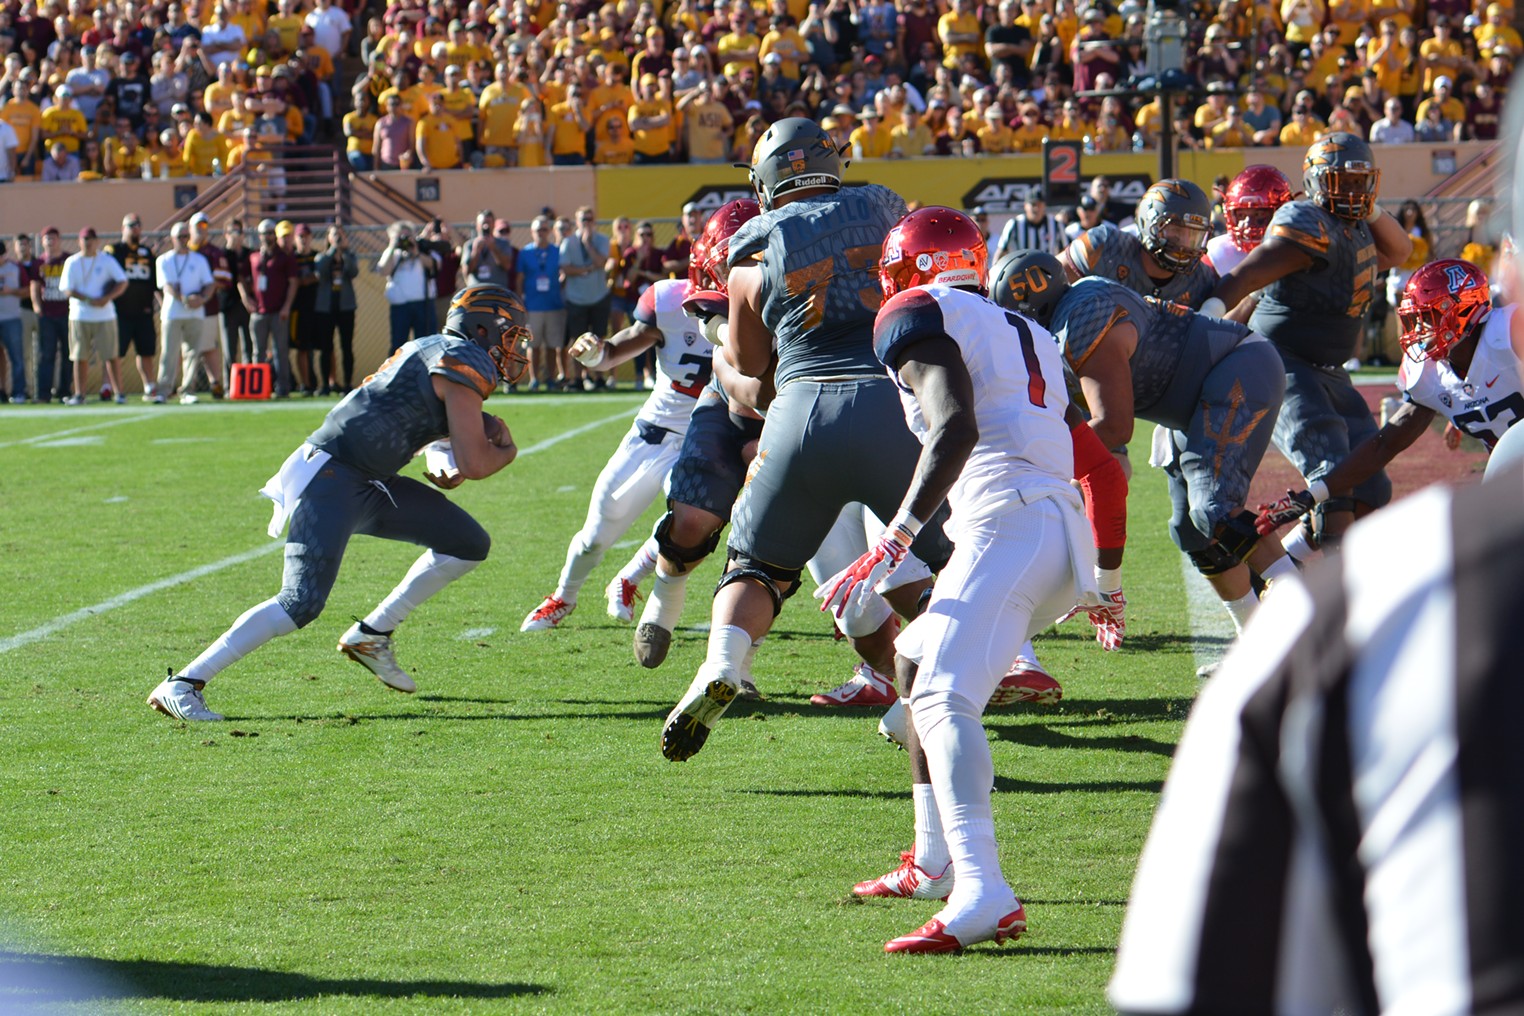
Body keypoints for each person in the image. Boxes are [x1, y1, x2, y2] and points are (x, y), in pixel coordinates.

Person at [828, 207, 1094, 955]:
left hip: (1009, 521)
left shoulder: (914, 310)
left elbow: (955, 426)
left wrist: (899, 539)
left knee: (944, 694)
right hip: (1049, 525)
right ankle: (935, 860)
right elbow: (1089, 442)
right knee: (914, 658)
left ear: (907, 267)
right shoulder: (1029, 329)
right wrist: (1098, 570)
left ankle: (985, 891)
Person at [660, 118, 946, 762]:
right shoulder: (885, 208)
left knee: (756, 568)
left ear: (765, 181)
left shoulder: (750, 250)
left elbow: (751, 370)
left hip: (800, 414)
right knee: (960, 566)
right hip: (892, 405)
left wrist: (723, 365)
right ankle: (922, 695)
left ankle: (721, 665)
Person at [147, 285, 531, 722]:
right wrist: (506, 449)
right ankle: (183, 683)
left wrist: (449, 460)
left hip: (370, 479)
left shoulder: (431, 349)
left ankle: (373, 634)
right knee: (300, 602)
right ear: (482, 327)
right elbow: (478, 463)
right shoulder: (465, 359)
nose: (514, 346)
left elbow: (430, 437)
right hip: (333, 477)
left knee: (467, 542)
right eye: (510, 334)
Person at [1000, 249, 1294, 639]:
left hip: (1238, 367)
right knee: (1191, 531)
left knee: (1214, 509)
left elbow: (1114, 428)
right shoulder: (1074, 313)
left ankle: (1306, 603)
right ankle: (1257, 640)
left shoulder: (1083, 322)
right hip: (1194, 401)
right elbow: (1105, 455)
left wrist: (1038, 471)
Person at [1209, 132, 1413, 552]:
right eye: (1344, 181)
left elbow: (1400, 250)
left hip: (1329, 373)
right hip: (1282, 362)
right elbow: (1249, 275)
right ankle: (1336, 602)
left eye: (1362, 182)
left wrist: (1371, 210)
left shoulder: (1356, 228)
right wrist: (1202, 313)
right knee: (1332, 474)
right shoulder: (1308, 219)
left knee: (1370, 486)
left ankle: (1296, 568)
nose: (1355, 192)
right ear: (1319, 182)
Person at [1257, 259, 1524, 543]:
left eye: (1430, 317)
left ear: (1464, 309)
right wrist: (1312, 495)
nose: (1420, 330)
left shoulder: (1509, 333)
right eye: (1416, 320)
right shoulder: (1429, 374)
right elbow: (1384, 445)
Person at [519, 263, 715, 631]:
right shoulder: (670, 300)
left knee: (694, 518)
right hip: (655, 431)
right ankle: (564, 596)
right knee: (595, 536)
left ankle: (630, 577)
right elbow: (611, 353)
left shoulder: (759, 299)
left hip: (711, 436)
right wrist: (593, 353)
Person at [1059, 178, 1219, 307]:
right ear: (1148, 223)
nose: (1184, 242)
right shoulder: (1105, 246)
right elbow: (1047, 280)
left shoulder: (1201, 280)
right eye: (1176, 230)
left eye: (1193, 235)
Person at [60, 226, 129, 405]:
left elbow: (122, 281)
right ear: (79, 241)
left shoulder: (106, 260)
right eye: (85, 239)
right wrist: (89, 299)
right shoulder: (72, 262)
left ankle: (119, 393)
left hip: (105, 316)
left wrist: (107, 298)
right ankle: (79, 394)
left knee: (111, 356)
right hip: (79, 315)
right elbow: (67, 289)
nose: (88, 243)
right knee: (79, 356)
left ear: (97, 241)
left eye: (91, 239)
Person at [155, 222, 217, 406]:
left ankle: (188, 390)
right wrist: (185, 300)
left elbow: (209, 283)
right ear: (172, 239)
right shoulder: (164, 260)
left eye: (185, 236)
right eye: (179, 237)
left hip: (195, 313)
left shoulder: (198, 259)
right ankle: (163, 390)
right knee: (169, 352)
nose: (183, 240)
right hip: (172, 313)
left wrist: (202, 298)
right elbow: (167, 286)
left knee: (192, 352)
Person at [240, 218, 300, 398]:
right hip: (259, 311)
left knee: (280, 351)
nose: (267, 236)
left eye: (270, 233)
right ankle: (258, 388)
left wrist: (287, 306)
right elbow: (241, 278)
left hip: (278, 311)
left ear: (274, 235)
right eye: (264, 233)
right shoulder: (253, 256)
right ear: (259, 236)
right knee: (257, 352)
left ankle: (282, 388)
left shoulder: (284, 257)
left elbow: (293, 282)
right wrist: (245, 298)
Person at [105, 213, 160, 401]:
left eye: (138, 224)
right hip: (119, 311)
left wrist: (161, 304)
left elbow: (154, 283)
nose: (135, 228)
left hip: (143, 310)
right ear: (122, 228)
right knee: (115, 353)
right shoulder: (113, 250)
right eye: (131, 225)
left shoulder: (147, 252)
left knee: (146, 351)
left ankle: (149, 386)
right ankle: (110, 387)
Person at [1203, 165, 1294, 278]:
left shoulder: (1296, 251)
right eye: (1241, 215)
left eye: (1259, 215)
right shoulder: (1216, 254)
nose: (1248, 224)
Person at [559, 207, 613, 391]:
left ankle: (599, 377)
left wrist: (588, 244)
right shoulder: (568, 242)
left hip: (598, 296)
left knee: (599, 339)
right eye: (583, 219)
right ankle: (579, 378)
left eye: (589, 219)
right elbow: (565, 268)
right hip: (576, 299)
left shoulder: (602, 240)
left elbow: (601, 263)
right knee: (577, 340)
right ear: (577, 221)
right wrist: (586, 270)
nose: (586, 222)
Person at [515, 215, 565, 390]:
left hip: (553, 304)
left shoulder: (557, 251)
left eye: (544, 229)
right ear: (532, 232)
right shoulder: (525, 253)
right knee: (533, 345)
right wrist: (521, 302)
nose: (541, 233)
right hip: (533, 306)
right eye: (538, 230)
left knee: (552, 345)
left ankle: (550, 378)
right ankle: (534, 379)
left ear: (549, 231)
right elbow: (519, 279)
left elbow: (564, 273)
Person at [311, 225, 358, 394]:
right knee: (326, 347)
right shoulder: (322, 256)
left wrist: (343, 253)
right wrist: (333, 251)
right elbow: (320, 271)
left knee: (346, 346)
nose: (337, 238)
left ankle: (347, 383)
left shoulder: (350, 256)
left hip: (345, 308)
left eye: (340, 235)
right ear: (328, 238)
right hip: (326, 308)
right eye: (334, 235)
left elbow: (353, 272)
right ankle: (324, 385)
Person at [30, 227, 72, 404]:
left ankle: (64, 391)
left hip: (67, 313)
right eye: (47, 238)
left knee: (68, 354)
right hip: (47, 314)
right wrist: (37, 307)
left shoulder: (68, 260)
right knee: (46, 355)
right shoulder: (39, 262)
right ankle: (43, 394)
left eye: (53, 238)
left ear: (59, 239)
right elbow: (34, 286)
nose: (50, 241)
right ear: (42, 241)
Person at [378, 220, 434, 354]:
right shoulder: (392, 254)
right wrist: (393, 246)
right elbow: (382, 270)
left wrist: (416, 252)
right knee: (398, 345)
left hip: (423, 304)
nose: (404, 240)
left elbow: (433, 265)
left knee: (426, 346)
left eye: (407, 236)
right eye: (400, 236)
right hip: (400, 306)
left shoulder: (422, 249)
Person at [993, 187, 1062, 259]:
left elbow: (1064, 250)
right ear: (1025, 206)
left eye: (1039, 204)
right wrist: (994, 269)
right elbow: (1001, 251)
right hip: (1020, 268)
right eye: (1033, 204)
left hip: (1048, 268)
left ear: (1044, 205)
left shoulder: (1056, 224)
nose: (1036, 208)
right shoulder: (1014, 224)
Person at [0, 241, 25, 403]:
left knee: (16, 357)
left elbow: (29, 289)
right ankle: (1, 390)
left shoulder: (15, 268)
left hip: (11, 318)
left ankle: (18, 392)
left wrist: (11, 291)